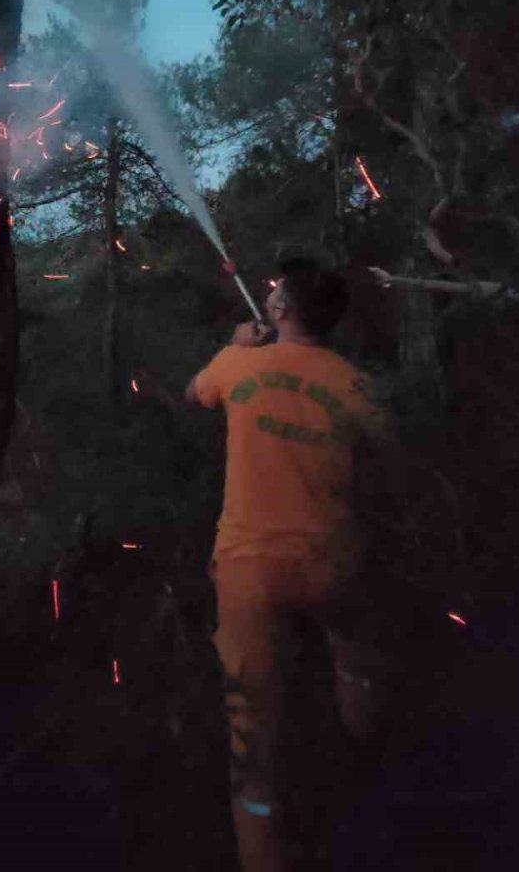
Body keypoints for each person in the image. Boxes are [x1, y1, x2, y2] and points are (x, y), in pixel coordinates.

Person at [185, 257, 386, 872]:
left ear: (277, 310)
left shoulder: (237, 362)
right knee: (354, 650)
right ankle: (366, 746)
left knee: (252, 731)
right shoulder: (355, 384)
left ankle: (261, 853)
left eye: (275, 294)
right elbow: (388, 450)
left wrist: (235, 345)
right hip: (332, 560)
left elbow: (194, 395)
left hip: (247, 572)